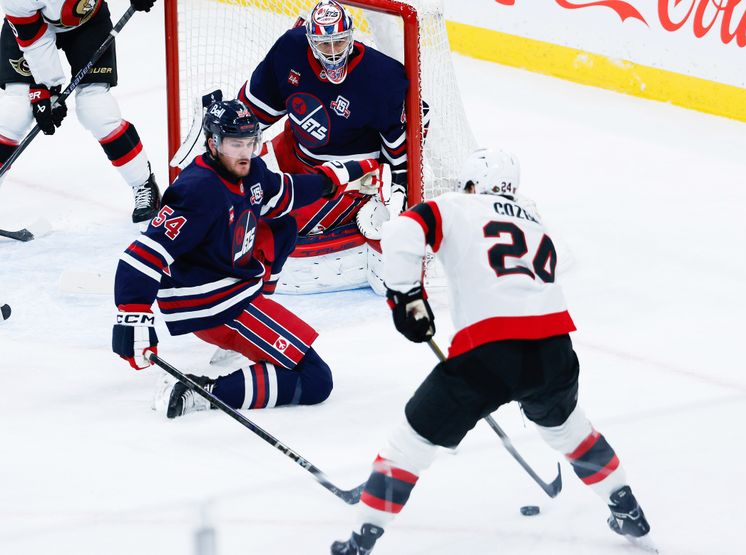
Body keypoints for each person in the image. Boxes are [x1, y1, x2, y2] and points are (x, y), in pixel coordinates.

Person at [331, 149, 654, 554]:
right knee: (572, 431)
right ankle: (625, 504)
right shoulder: (536, 222)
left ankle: (361, 539)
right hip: (555, 350)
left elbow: (401, 232)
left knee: (409, 445)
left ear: (469, 184)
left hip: (490, 353)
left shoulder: (457, 205)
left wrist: (407, 299)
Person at [111, 99, 382, 417]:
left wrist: (342, 176)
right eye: (234, 143)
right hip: (213, 302)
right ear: (213, 144)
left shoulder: (250, 170)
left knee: (282, 226)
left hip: (228, 286)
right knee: (315, 380)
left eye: (250, 142)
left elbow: (285, 191)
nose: (244, 151)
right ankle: (201, 391)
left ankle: (249, 330)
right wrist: (133, 317)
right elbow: (142, 256)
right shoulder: (199, 190)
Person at [238, 0, 422, 293]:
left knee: (275, 221)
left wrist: (398, 190)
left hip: (350, 174)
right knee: (233, 183)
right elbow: (251, 111)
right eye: (325, 45)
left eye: (339, 42)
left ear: (351, 36)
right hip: (295, 148)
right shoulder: (289, 49)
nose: (334, 52)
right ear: (310, 41)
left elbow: (398, 154)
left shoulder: (382, 77)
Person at [0, 0, 160, 223]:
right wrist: (46, 87)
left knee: (96, 109)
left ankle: (143, 183)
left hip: (88, 23)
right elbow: (34, 41)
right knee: (15, 112)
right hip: (30, 30)